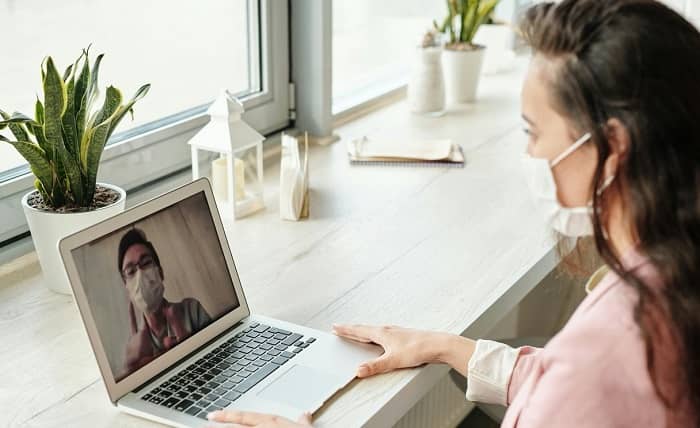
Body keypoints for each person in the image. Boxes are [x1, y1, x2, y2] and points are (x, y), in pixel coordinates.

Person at [208, 0, 700, 426]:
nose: (529, 155)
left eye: (533, 132)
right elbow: (578, 391)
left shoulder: (612, 345)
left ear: (612, 147)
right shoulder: (673, 270)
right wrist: (449, 347)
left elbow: (586, 381)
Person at [118, 228, 211, 376]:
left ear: (160, 273)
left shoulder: (192, 310)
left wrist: (190, 349)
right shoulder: (135, 350)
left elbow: (219, 360)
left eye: (146, 263)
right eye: (131, 271)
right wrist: (131, 373)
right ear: (127, 288)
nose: (140, 275)